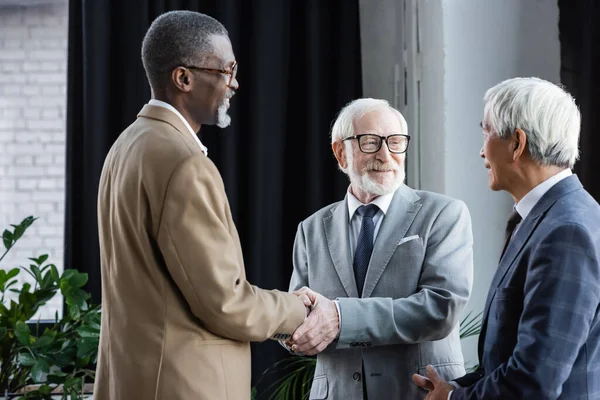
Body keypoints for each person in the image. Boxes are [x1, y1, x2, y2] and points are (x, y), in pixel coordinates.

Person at [94, 11, 312, 400]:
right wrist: (296, 309)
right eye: (226, 71)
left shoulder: (125, 146)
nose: (235, 83)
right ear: (184, 78)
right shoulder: (186, 163)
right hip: (185, 386)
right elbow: (225, 302)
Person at [412, 77, 600, 399]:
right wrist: (457, 387)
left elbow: (534, 381)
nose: (480, 149)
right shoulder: (553, 216)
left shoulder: (566, 231)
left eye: (485, 132)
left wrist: (452, 398)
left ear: (517, 143)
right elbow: (509, 359)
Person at [285, 98, 474, 399]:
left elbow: (441, 308)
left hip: (417, 393)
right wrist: (292, 327)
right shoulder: (311, 228)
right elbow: (299, 316)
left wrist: (341, 317)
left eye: (396, 142)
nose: (386, 155)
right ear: (340, 153)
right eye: (371, 142)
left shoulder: (444, 214)